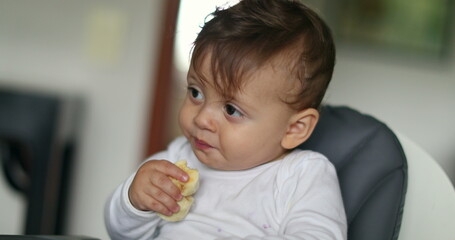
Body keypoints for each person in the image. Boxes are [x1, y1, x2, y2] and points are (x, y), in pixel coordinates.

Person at [105, 0, 347, 239]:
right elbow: (120, 232)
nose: (201, 119)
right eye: (196, 93)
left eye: (231, 110)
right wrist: (135, 202)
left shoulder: (301, 176)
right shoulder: (176, 157)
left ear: (295, 128)